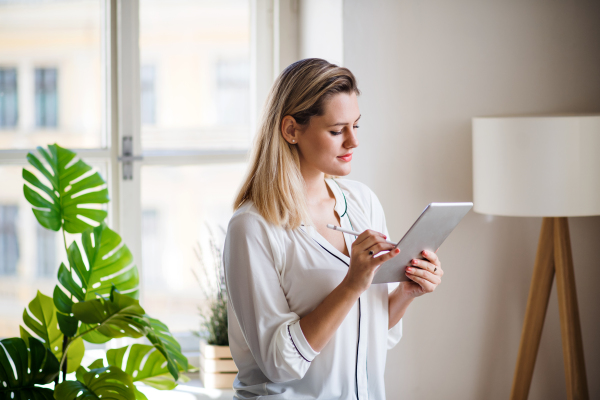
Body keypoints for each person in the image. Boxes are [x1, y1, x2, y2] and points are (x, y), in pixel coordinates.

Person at [223, 58, 443, 399]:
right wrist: (352, 284)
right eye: (337, 130)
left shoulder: (363, 202)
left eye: (356, 125)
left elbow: (371, 330)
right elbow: (279, 362)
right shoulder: (252, 227)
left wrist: (406, 293)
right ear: (291, 130)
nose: (353, 142)